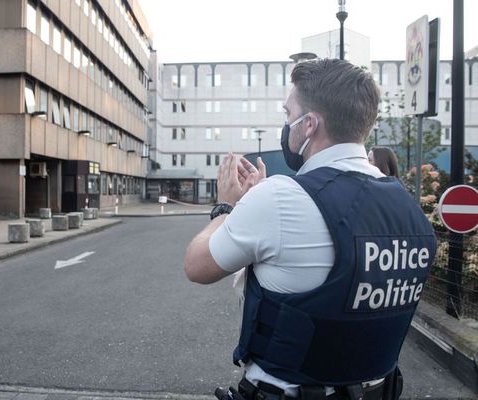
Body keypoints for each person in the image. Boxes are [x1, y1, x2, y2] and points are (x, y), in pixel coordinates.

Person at [184, 59, 437, 400]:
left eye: (288, 115)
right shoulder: (405, 205)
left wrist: (227, 208)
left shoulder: (278, 198)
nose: (285, 125)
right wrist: (261, 203)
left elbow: (197, 266)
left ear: (310, 125)